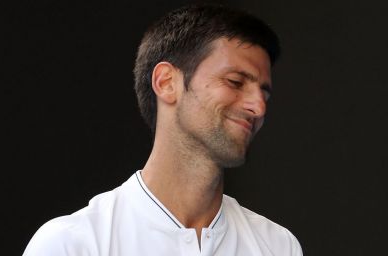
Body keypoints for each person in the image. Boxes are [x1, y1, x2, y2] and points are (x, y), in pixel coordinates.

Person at [23, 4, 303, 256]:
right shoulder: (72, 244)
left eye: (264, 93)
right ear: (167, 82)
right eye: (235, 81)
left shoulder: (278, 246)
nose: (259, 107)